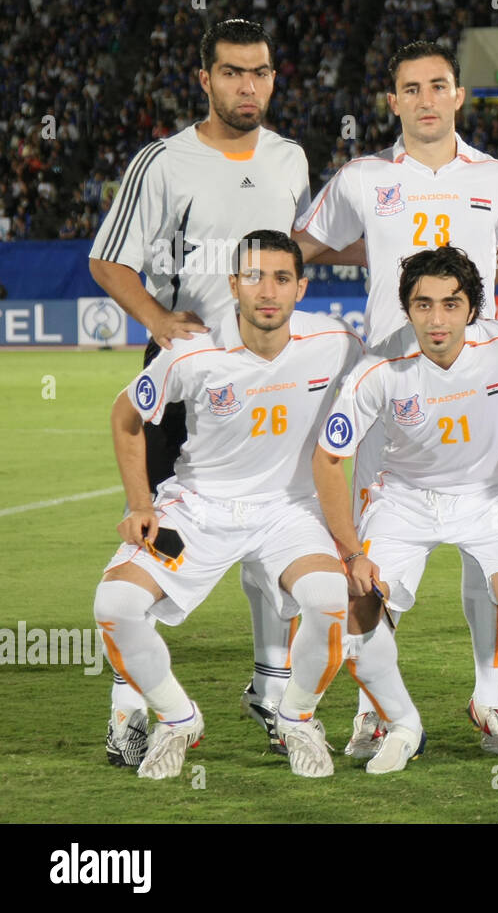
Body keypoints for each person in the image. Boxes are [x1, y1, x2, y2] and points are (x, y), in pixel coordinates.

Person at [88, 18, 330, 766]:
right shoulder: (163, 162)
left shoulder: (290, 157)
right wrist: (162, 323)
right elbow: (108, 260)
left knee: (276, 526)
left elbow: (300, 248)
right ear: (205, 79)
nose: (247, 85)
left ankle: (271, 682)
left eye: (259, 72)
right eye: (231, 72)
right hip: (190, 381)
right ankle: (133, 707)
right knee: (158, 532)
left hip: (272, 376)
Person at [294, 40, 498, 759]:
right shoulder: (363, 178)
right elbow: (303, 246)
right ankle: (377, 708)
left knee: (488, 551)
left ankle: (491, 697)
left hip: (481, 384)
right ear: (392, 101)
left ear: (459, 95)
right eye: (411, 88)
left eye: (438, 86)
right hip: (391, 390)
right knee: (375, 565)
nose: (426, 99)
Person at [92, 230, 364, 780]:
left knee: (331, 600)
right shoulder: (192, 353)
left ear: (301, 287)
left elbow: (376, 404)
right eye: (254, 277)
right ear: (233, 284)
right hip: (200, 508)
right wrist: (141, 502)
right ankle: (177, 719)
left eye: (282, 278)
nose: (268, 291)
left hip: (288, 510)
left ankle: (296, 719)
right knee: (115, 606)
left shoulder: (336, 342)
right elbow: (126, 418)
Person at [312, 246, 498, 775]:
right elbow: (329, 459)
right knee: (360, 606)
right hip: (406, 499)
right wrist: (351, 551)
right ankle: (397, 721)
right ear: (407, 310)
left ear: (473, 309)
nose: (437, 319)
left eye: (451, 304)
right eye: (423, 305)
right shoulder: (378, 367)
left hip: (491, 495)